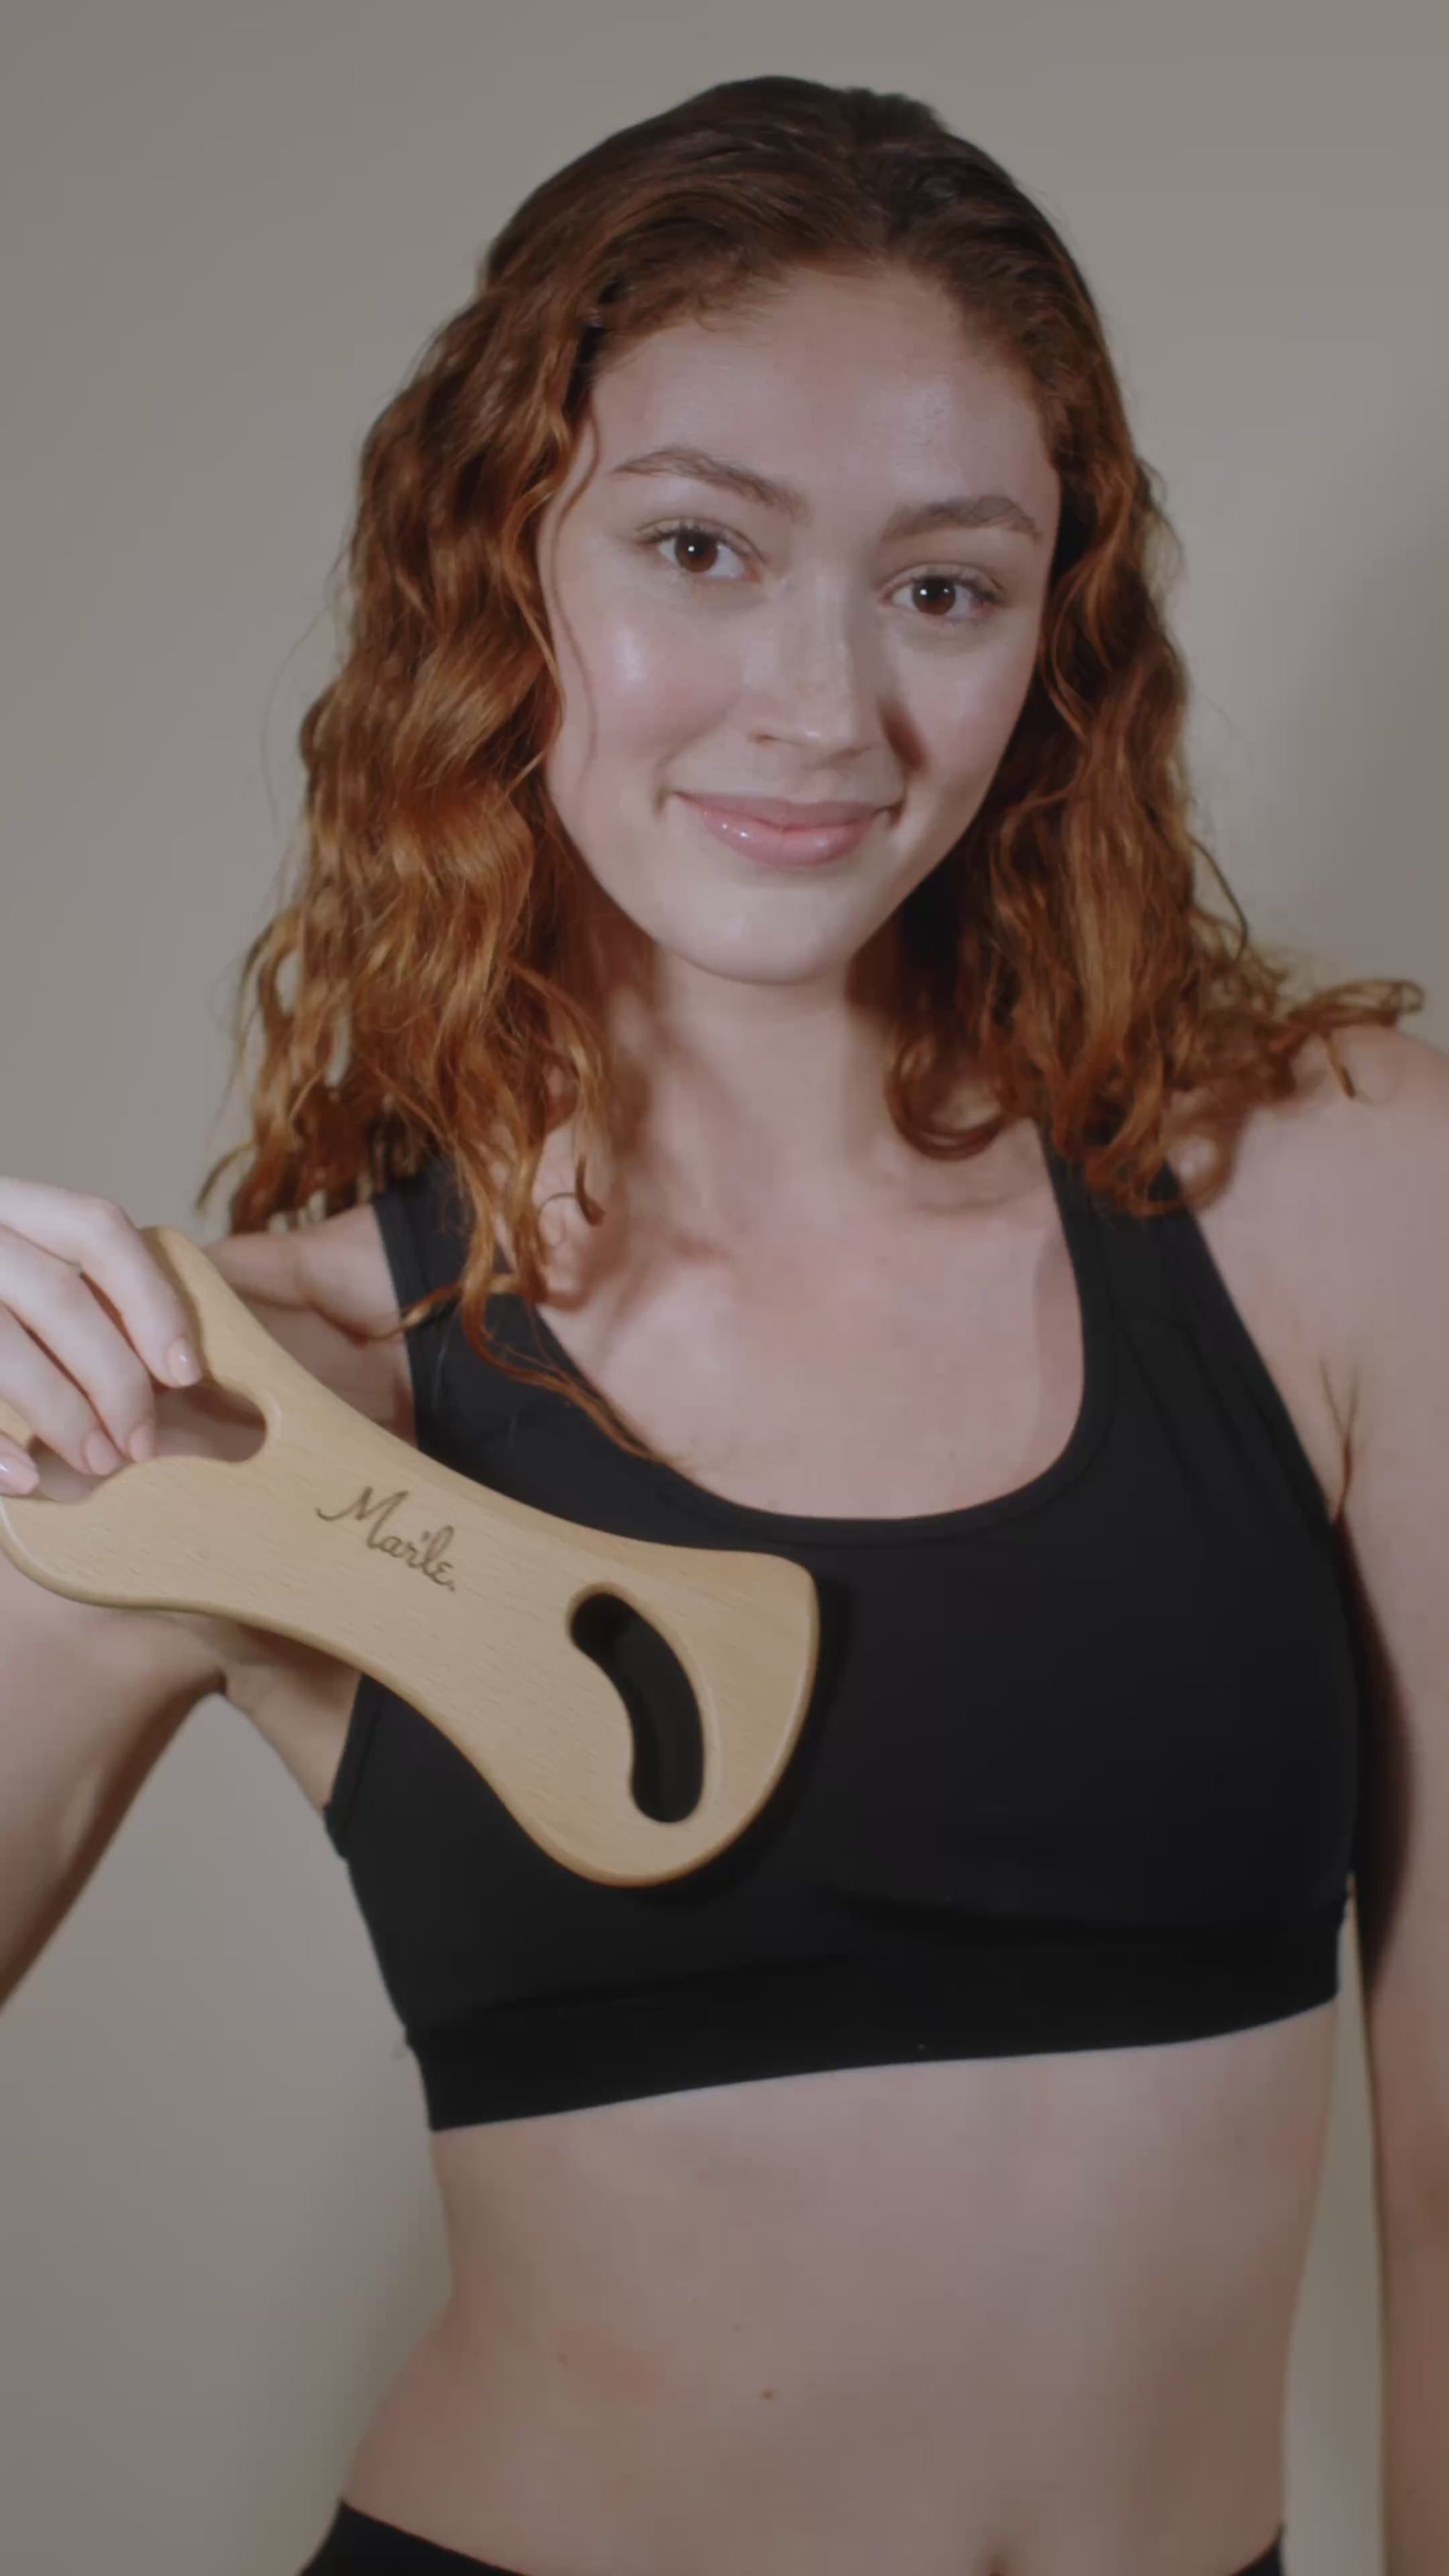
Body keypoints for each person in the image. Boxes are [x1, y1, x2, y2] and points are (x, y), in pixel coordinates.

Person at [1, 72, 1444, 2576]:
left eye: (942, 587)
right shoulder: (253, 1391)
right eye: (699, 546)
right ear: (498, 572)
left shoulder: (1334, 1195)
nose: (819, 708)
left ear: (1051, 640)